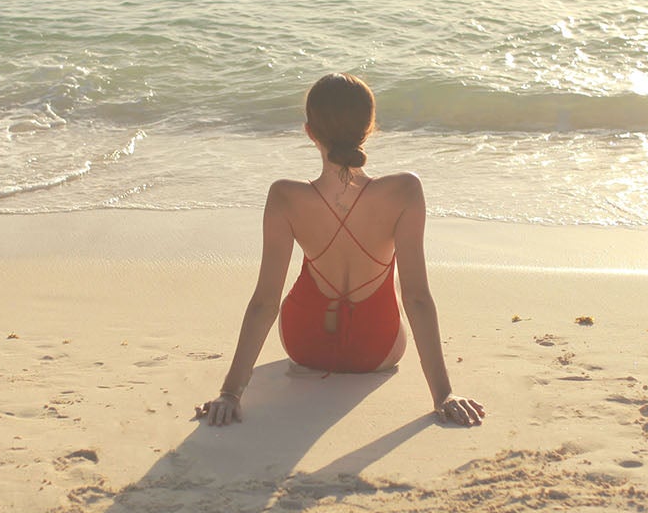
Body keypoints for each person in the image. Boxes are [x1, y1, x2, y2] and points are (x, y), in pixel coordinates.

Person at [197, 73, 485, 428]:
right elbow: (418, 299)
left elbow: (264, 302)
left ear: (309, 132)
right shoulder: (405, 191)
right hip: (378, 350)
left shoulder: (285, 196)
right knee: (393, 277)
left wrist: (230, 392)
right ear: (371, 128)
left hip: (304, 344)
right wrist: (444, 394)